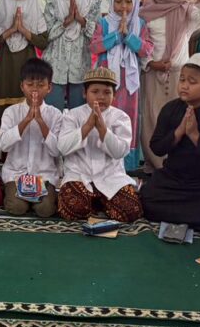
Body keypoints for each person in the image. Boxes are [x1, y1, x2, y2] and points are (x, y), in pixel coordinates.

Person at [139, 53, 200, 232]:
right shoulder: (170, 109)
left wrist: (195, 135)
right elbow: (157, 148)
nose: (184, 86)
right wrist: (178, 132)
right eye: (182, 79)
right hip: (175, 179)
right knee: (146, 201)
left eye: (192, 82)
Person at [139, 0, 200, 171]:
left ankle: (176, 161)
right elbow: (139, 44)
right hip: (153, 72)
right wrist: (151, 63)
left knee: (180, 117)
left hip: (180, 75)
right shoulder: (145, 12)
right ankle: (155, 163)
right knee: (152, 117)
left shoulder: (186, 10)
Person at [54, 68, 142, 222]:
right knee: (72, 209)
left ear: (114, 95)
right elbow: (62, 147)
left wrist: (103, 130)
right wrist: (87, 126)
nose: (101, 97)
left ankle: (98, 202)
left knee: (132, 211)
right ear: (84, 93)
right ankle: (97, 203)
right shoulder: (72, 116)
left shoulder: (121, 117)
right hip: (79, 176)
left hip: (111, 177)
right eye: (95, 91)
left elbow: (120, 152)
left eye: (107, 92)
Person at [90, 0, 153, 171]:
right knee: (105, 114)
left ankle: (126, 164)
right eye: (118, 1)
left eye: (128, 1)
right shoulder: (104, 23)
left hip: (129, 80)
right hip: (106, 78)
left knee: (128, 117)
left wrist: (129, 36)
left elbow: (147, 50)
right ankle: (103, 159)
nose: (123, 6)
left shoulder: (140, 24)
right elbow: (94, 46)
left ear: (135, 2)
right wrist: (117, 36)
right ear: (112, 2)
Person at [0, 58, 63, 217]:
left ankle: (35, 201)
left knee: (45, 210)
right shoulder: (11, 112)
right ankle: (20, 198)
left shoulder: (55, 114)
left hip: (44, 175)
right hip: (16, 174)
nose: (35, 90)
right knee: (17, 207)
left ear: (49, 87)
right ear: (22, 86)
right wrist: (26, 120)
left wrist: (40, 121)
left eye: (40, 85)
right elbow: (3, 145)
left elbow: (56, 151)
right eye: (30, 84)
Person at [0, 0, 48, 126]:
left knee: (27, 98)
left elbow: (43, 43)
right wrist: (10, 30)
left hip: (27, 61)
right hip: (4, 63)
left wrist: (23, 30)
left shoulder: (35, 9)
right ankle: (4, 138)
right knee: (2, 100)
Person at [43, 0, 102, 111]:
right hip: (56, 64)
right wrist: (66, 22)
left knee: (79, 113)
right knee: (53, 113)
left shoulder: (93, 1)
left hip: (80, 63)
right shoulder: (52, 2)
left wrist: (81, 20)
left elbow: (95, 36)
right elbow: (48, 35)